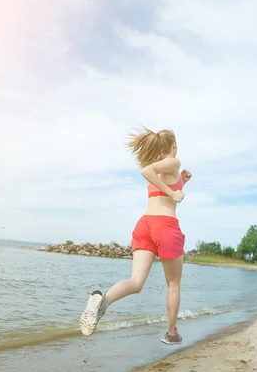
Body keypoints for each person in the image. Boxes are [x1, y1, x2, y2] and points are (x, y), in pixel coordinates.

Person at [79, 127, 192, 345]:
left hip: (145, 225)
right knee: (174, 284)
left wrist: (181, 184)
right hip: (166, 226)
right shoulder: (173, 163)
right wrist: (173, 193)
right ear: (174, 145)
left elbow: (159, 187)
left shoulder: (162, 172)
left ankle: (103, 302)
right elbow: (150, 175)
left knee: (136, 282)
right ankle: (171, 333)